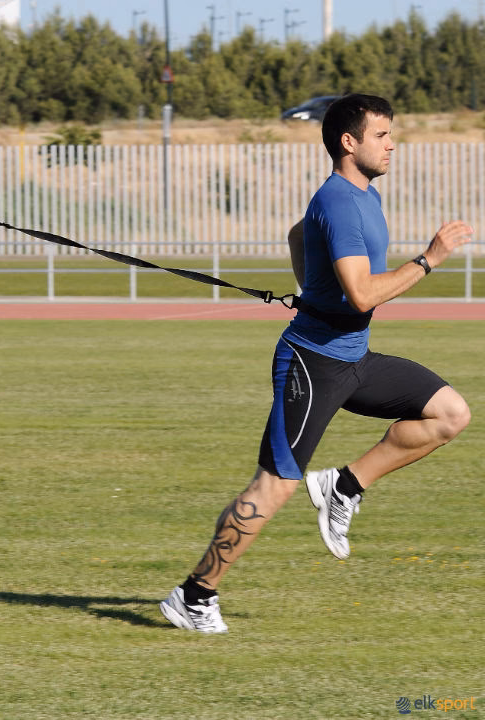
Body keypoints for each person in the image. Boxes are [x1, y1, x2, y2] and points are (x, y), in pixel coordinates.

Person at [160, 93, 473, 634]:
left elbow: (298, 236)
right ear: (349, 143)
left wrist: (312, 289)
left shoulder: (361, 196)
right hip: (313, 364)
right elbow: (361, 295)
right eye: (382, 135)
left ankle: (344, 487)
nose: (393, 144)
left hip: (353, 357)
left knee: (450, 414)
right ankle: (193, 595)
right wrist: (428, 260)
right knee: (276, 484)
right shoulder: (340, 201)